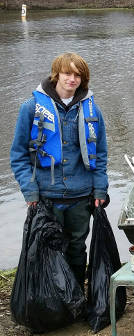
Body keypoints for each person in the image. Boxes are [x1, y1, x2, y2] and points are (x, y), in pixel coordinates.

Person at [10, 52, 108, 288]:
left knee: (77, 248)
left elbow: (101, 155)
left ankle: (74, 300)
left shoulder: (93, 111)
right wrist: (30, 191)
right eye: (67, 73)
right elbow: (18, 156)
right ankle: (53, 306)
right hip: (46, 197)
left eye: (78, 75)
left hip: (81, 196)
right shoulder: (31, 108)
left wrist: (100, 190)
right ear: (56, 75)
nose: (72, 79)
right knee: (48, 250)